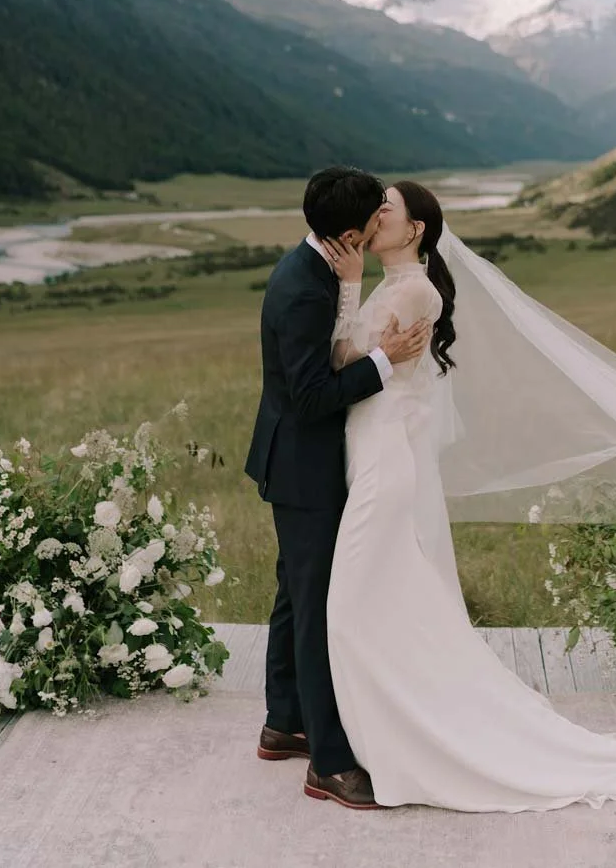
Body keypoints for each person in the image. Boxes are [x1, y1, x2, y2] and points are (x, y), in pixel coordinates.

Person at [319, 180, 616, 812]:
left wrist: (346, 291)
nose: (375, 215)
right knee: (378, 601)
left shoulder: (415, 289)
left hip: (386, 459)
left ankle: (401, 742)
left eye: (386, 209)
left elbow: (345, 364)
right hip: (370, 453)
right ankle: (390, 732)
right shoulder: (391, 288)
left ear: (415, 229)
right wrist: (351, 289)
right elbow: (349, 358)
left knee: (354, 605)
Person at [244, 165, 432, 810]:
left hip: (301, 461)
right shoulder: (305, 289)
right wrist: (386, 361)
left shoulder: (323, 267)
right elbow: (313, 395)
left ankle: (284, 723)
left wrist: (352, 291)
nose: (385, 218)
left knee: (296, 597)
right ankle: (327, 761)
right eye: (377, 214)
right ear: (351, 233)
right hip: (303, 465)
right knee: (320, 606)